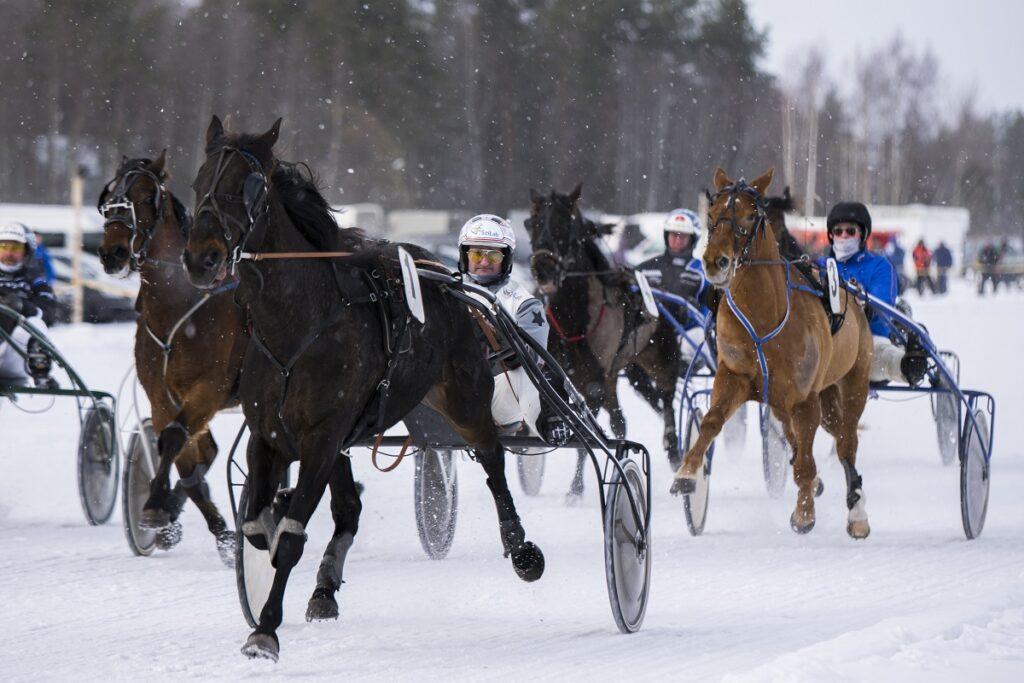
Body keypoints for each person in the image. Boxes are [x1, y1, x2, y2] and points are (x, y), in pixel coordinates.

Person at [457, 214, 565, 443]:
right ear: (464, 256)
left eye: (493, 255)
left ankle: (547, 421)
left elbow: (530, 357)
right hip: (451, 394)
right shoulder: (446, 291)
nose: (484, 262)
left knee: (523, 370)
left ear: (505, 259)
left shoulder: (524, 302)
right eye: (476, 254)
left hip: (498, 397)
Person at [823, 202, 928, 386]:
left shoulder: (879, 266)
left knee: (882, 355)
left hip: (868, 340)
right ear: (831, 235)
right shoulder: (820, 266)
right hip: (825, 343)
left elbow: (882, 306)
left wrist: (860, 306)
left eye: (850, 231)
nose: (844, 236)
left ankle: (906, 366)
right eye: (838, 231)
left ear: (862, 234)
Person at [636, 208, 709, 366]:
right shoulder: (645, 268)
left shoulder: (703, 271)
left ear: (693, 239)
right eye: (673, 234)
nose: (677, 239)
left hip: (687, 334)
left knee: (701, 336)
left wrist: (693, 310)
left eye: (682, 236)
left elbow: (712, 310)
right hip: (649, 334)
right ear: (666, 235)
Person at [0, 221, 58, 388]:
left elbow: (48, 311)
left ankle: (40, 371)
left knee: (34, 323)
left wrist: (23, 306)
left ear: (27, 251)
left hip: (15, 358)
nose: (9, 253)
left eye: (16, 248)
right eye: (4, 247)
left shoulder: (35, 279)